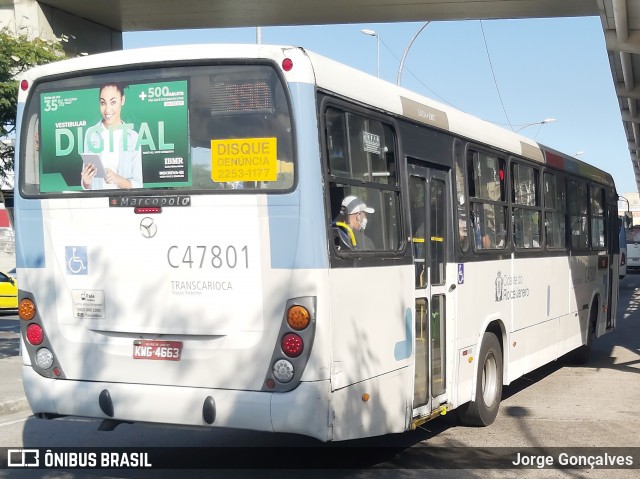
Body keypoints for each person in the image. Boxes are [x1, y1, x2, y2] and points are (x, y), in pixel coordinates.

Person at [81, 82, 143, 190]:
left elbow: (138, 185)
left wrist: (116, 178)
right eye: (103, 103)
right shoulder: (91, 134)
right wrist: (86, 182)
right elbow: (86, 186)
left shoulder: (133, 137)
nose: (107, 110)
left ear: (122, 100)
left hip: (124, 204)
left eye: (113, 102)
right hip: (98, 203)